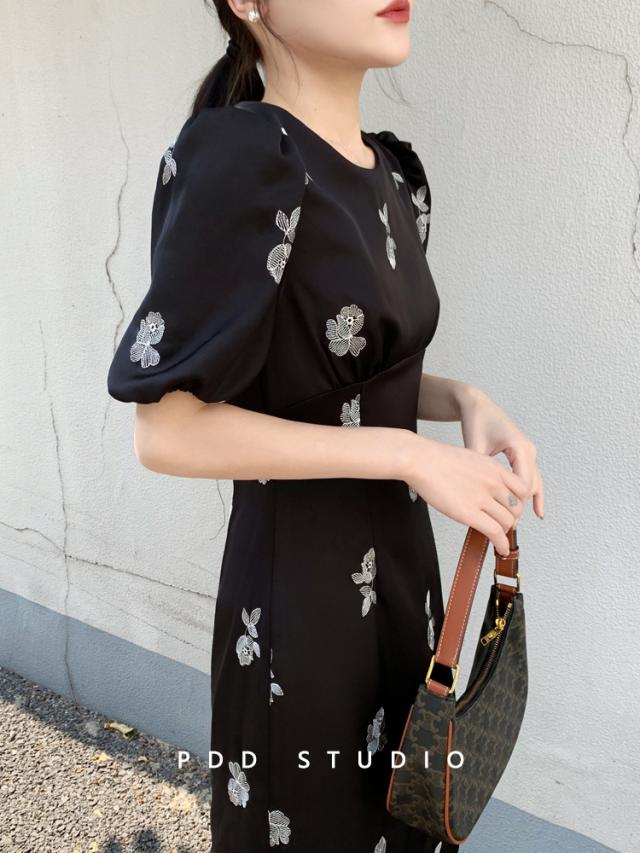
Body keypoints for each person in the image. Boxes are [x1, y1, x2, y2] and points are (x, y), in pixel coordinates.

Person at [107, 1, 544, 850]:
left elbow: (341, 370)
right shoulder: (242, 159)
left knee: (407, 819)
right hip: (299, 619)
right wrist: (406, 455)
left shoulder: (393, 176)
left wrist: (465, 401)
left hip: (406, 591)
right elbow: (166, 429)